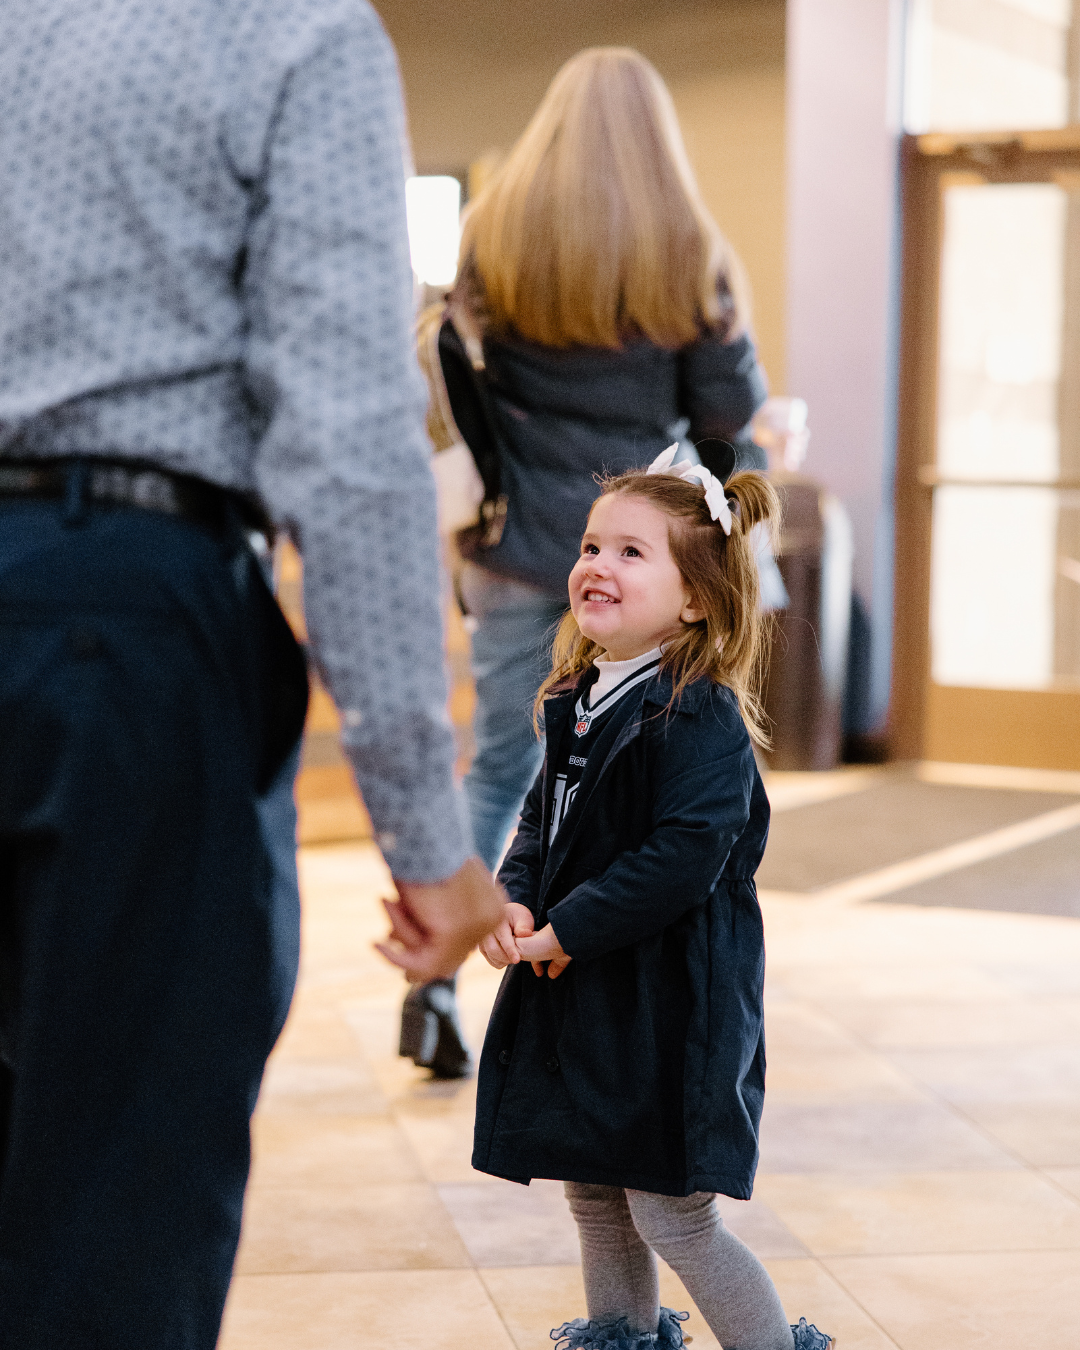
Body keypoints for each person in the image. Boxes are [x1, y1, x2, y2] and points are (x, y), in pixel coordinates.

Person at [0, 3, 503, 1346]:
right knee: (110, 1226)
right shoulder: (288, 32)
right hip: (123, 632)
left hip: (102, 619)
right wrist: (426, 834)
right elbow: (347, 442)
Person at [402, 45, 769, 1070]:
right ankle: (608, 958)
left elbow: (455, 379)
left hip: (517, 544)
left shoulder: (494, 237)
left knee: (503, 765)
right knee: (657, 766)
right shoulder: (687, 247)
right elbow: (730, 412)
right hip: (649, 558)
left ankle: (435, 983)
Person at [474, 452, 835, 1350]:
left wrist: (569, 927)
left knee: (674, 1213)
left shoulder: (697, 712)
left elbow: (683, 857)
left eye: (632, 553)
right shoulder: (579, 696)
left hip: (669, 997)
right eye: (592, 546)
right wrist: (516, 899)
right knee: (595, 1194)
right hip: (592, 986)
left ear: (697, 601)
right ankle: (621, 1338)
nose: (598, 565)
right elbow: (541, 820)